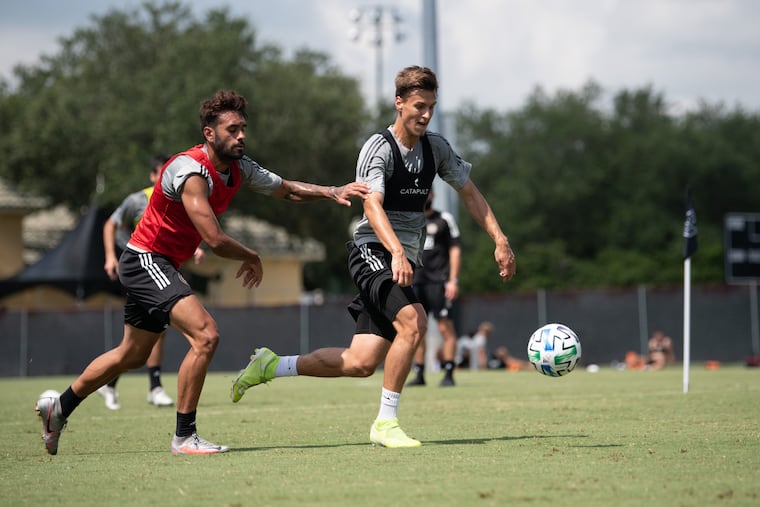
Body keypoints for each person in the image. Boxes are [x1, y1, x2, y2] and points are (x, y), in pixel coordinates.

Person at [34, 89, 370, 456]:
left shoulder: (240, 168)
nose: (241, 135)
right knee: (206, 335)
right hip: (146, 259)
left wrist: (331, 190)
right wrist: (251, 255)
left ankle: (60, 407)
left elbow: (286, 190)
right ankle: (184, 437)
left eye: (243, 128)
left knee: (130, 355)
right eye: (232, 129)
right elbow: (213, 238)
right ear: (210, 134)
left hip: (159, 264)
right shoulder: (190, 171)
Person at [231, 66, 516, 448]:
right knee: (414, 324)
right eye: (419, 106)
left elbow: (470, 193)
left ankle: (271, 364)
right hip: (372, 251)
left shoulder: (437, 149)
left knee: (360, 362)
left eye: (431, 106)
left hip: (402, 259)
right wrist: (396, 251)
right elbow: (372, 207)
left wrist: (499, 238)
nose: (426, 114)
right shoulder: (378, 148)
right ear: (399, 103)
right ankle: (385, 423)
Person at [97, 154, 204, 410]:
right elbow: (110, 225)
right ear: (153, 176)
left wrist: (195, 247)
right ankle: (154, 387)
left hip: (161, 269)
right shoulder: (138, 200)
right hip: (141, 269)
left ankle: (110, 384)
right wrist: (111, 257)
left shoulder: (178, 200)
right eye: (161, 173)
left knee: (141, 339)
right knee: (157, 327)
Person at [406, 191, 462, 387]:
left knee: (445, 327)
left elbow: (455, 249)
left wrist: (453, 280)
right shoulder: (409, 220)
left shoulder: (444, 219)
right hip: (415, 282)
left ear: (433, 194)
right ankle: (419, 373)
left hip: (438, 282)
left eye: (427, 192)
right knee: (417, 329)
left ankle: (448, 373)